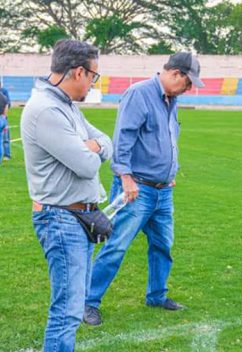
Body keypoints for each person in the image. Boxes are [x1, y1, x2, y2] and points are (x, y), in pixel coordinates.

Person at [83, 52, 205, 327]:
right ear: (175, 73)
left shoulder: (170, 100)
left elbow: (168, 138)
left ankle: (157, 295)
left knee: (163, 245)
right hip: (136, 189)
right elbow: (123, 137)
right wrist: (126, 178)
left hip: (163, 191)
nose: (189, 89)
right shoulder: (139, 94)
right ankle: (88, 302)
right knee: (116, 247)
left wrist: (169, 172)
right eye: (188, 83)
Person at [21, 39, 111, 352]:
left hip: (80, 216)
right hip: (61, 218)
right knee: (68, 307)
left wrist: (92, 146)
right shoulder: (47, 109)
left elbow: (105, 142)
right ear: (77, 71)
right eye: (93, 76)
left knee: (74, 301)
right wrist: (91, 149)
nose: (92, 83)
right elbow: (88, 165)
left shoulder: (67, 105)